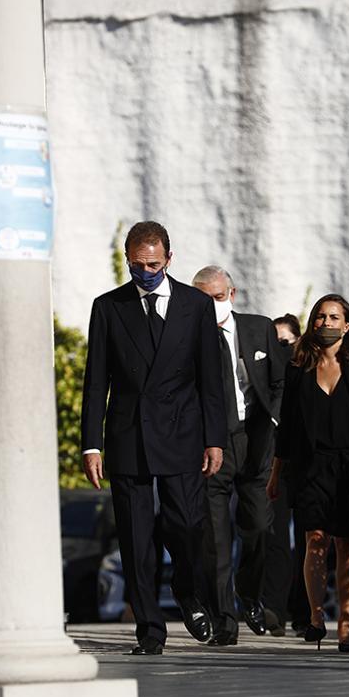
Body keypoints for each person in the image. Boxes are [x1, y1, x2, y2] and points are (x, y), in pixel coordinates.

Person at [81, 221, 226, 655]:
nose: (146, 271)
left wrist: (214, 438)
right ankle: (150, 630)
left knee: (186, 525)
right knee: (136, 539)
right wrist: (92, 444)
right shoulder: (109, 307)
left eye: (154, 264)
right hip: (129, 436)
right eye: (138, 264)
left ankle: (186, 589)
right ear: (128, 260)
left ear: (169, 259)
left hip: (183, 433)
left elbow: (210, 379)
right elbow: (95, 382)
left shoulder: (196, 306)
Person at [267, 294, 349, 652]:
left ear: (347, 325)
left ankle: (347, 624)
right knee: (315, 540)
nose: (326, 323)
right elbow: (287, 426)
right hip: (312, 465)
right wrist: (276, 473)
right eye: (320, 317)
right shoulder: (299, 365)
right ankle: (317, 615)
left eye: (334, 317)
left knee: (347, 545)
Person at [192, 266, 286, 646]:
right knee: (215, 537)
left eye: (216, 298)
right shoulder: (188, 336)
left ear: (232, 294)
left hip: (256, 438)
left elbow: (279, 380)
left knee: (259, 526)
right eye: (202, 300)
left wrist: (277, 422)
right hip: (211, 443)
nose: (210, 307)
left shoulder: (258, 327)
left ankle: (250, 596)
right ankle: (224, 621)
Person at [262, 314, 310, 636]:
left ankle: (306, 615)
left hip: (306, 464)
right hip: (275, 464)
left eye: (285, 343)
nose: (280, 350)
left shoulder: (310, 371)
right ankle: (273, 611)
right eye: (274, 344)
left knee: (310, 541)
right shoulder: (265, 377)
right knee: (275, 538)